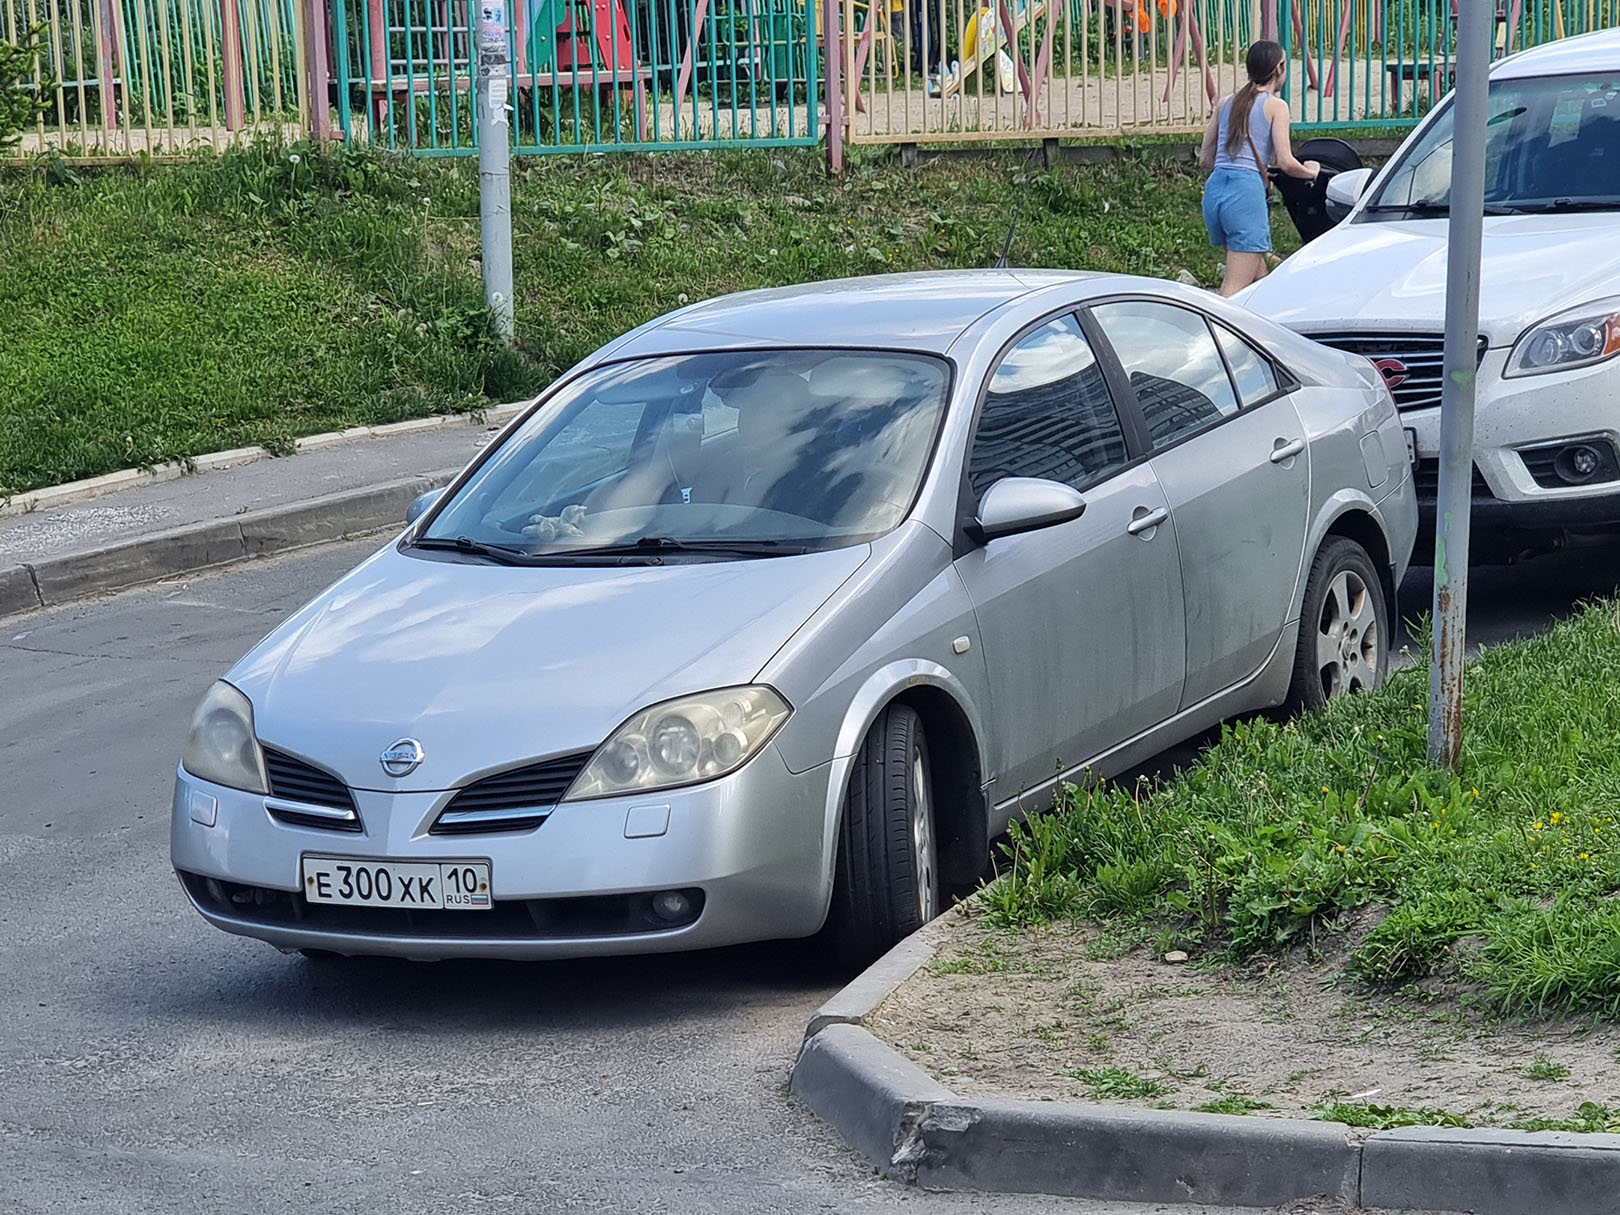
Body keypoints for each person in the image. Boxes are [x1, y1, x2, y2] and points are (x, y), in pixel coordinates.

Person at [1198, 41, 1321, 297]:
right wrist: (1311, 171)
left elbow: (1206, 159)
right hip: (1245, 197)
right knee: (1234, 289)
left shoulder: (1226, 103)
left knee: (1258, 279)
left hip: (1215, 193)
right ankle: (1218, 336)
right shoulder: (1276, 106)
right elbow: (1285, 162)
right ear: (1280, 68)